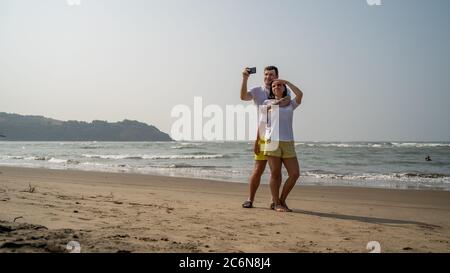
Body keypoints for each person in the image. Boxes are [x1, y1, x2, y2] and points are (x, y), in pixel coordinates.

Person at [240, 66, 291, 208]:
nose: (268, 77)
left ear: (277, 76)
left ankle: (273, 200)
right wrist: (245, 78)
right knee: (258, 169)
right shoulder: (257, 91)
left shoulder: (282, 89)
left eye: (272, 75)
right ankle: (250, 199)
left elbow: (287, 102)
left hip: (277, 135)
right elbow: (243, 97)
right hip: (262, 134)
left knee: (276, 171)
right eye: (266, 74)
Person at [262, 79, 303, 212]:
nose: (276, 87)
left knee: (295, 173)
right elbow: (264, 111)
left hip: (288, 141)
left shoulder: (291, 104)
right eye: (273, 86)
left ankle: (281, 200)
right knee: (275, 174)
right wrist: (279, 102)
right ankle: (276, 203)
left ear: (284, 88)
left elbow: (300, 95)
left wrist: (288, 82)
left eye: (279, 85)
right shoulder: (267, 102)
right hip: (272, 141)